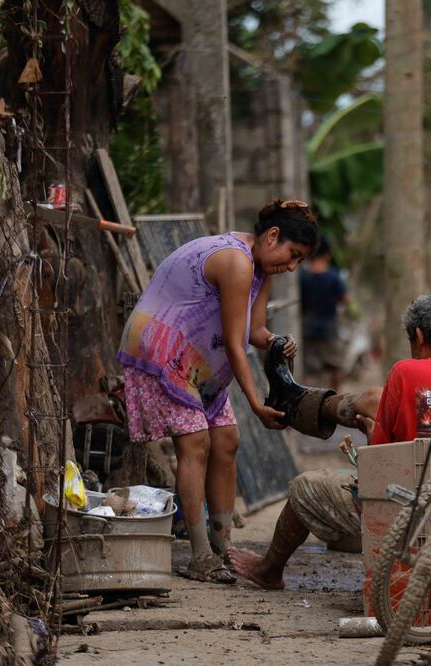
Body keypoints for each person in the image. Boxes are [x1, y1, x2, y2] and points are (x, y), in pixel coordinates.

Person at [228, 293, 431, 590]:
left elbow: (379, 461)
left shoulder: (407, 372)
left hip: (412, 507)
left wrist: (370, 430)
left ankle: (268, 570)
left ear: (419, 336)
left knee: (306, 486)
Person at [117, 199, 318, 584]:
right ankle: (199, 556)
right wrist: (256, 403)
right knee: (196, 444)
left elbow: (254, 332)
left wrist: (277, 342)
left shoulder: (261, 267)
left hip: (198, 361)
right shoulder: (236, 261)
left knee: (227, 441)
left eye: (300, 261)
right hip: (162, 346)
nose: (291, 266)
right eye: (292, 255)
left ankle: (223, 547)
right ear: (273, 236)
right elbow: (232, 341)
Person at [300, 238, 350, 389]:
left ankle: (312, 405)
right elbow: (346, 299)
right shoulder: (333, 276)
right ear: (327, 255)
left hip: (307, 326)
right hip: (329, 327)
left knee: (311, 372)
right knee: (336, 366)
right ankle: (334, 398)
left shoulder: (302, 276)